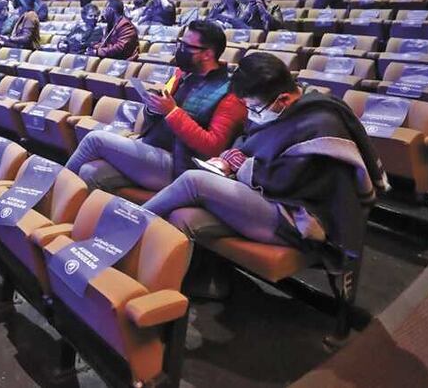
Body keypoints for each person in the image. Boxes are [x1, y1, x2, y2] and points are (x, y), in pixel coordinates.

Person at [143, 52, 387, 268]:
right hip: (264, 197)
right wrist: (232, 156)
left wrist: (244, 166)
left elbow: (296, 182)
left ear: (283, 99)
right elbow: (248, 136)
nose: (250, 114)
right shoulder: (277, 105)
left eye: (254, 108)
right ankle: (186, 276)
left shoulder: (321, 124)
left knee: (193, 181)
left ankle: (129, 223)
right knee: (182, 214)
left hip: (298, 216)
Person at [63, 21, 246, 193]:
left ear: (207, 54)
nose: (180, 49)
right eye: (180, 42)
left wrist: (172, 112)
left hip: (179, 164)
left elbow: (212, 147)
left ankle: (52, 189)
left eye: (187, 46)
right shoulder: (183, 73)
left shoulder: (230, 94)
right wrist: (153, 107)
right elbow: (158, 117)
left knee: (95, 139)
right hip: (151, 147)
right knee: (89, 172)